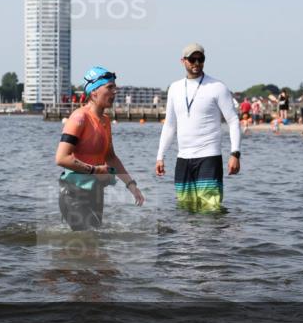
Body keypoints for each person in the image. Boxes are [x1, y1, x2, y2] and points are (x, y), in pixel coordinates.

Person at [56, 67, 144, 231]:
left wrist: (131, 185)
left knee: (96, 242)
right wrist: (95, 170)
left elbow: (111, 158)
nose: (115, 91)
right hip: (74, 193)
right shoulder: (79, 117)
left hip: (95, 192)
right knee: (87, 239)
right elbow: (61, 158)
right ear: (94, 92)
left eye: (115, 87)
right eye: (109, 87)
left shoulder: (105, 121)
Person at [156, 43, 241, 211]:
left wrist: (235, 154)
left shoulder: (217, 87)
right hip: (183, 159)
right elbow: (170, 125)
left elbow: (233, 121)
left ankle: (213, 230)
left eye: (200, 59)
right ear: (183, 61)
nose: (196, 63)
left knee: (210, 210)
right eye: (192, 59)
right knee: (185, 210)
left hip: (209, 157)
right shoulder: (174, 88)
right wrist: (160, 156)